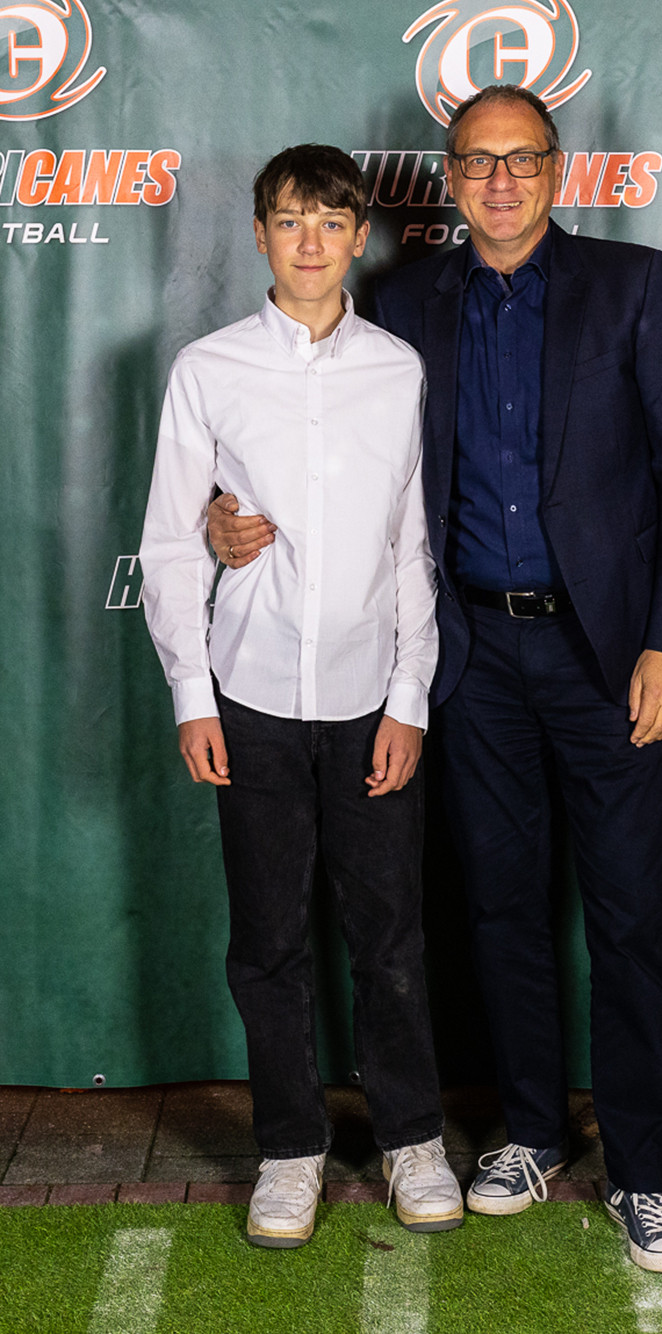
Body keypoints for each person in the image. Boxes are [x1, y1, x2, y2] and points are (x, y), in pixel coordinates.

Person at [207, 90, 662, 1272]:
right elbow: (308, 444)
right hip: (471, 656)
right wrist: (218, 517)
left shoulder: (634, 286)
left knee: (630, 918)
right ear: (447, 177)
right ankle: (530, 1134)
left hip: (609, 660)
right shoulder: (401, 303)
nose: (499, 181)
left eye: (520, 160)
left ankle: (641, 1173)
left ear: (556, 170)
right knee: (498, 907)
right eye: (478, 162)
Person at [140, 144, 463, 1249]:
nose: (311, 243)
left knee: (391, 936)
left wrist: (410, 696)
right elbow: (171, 543)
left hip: (373, 697)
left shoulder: (398, 370)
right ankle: (289, 1150)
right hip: (252, 696)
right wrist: (193, 692)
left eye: (331, 222)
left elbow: (412, 545)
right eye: (289, 221)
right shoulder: (209, 369)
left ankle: (413, 1137)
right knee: (269, 939)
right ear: (261, 236)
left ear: (360, 236)